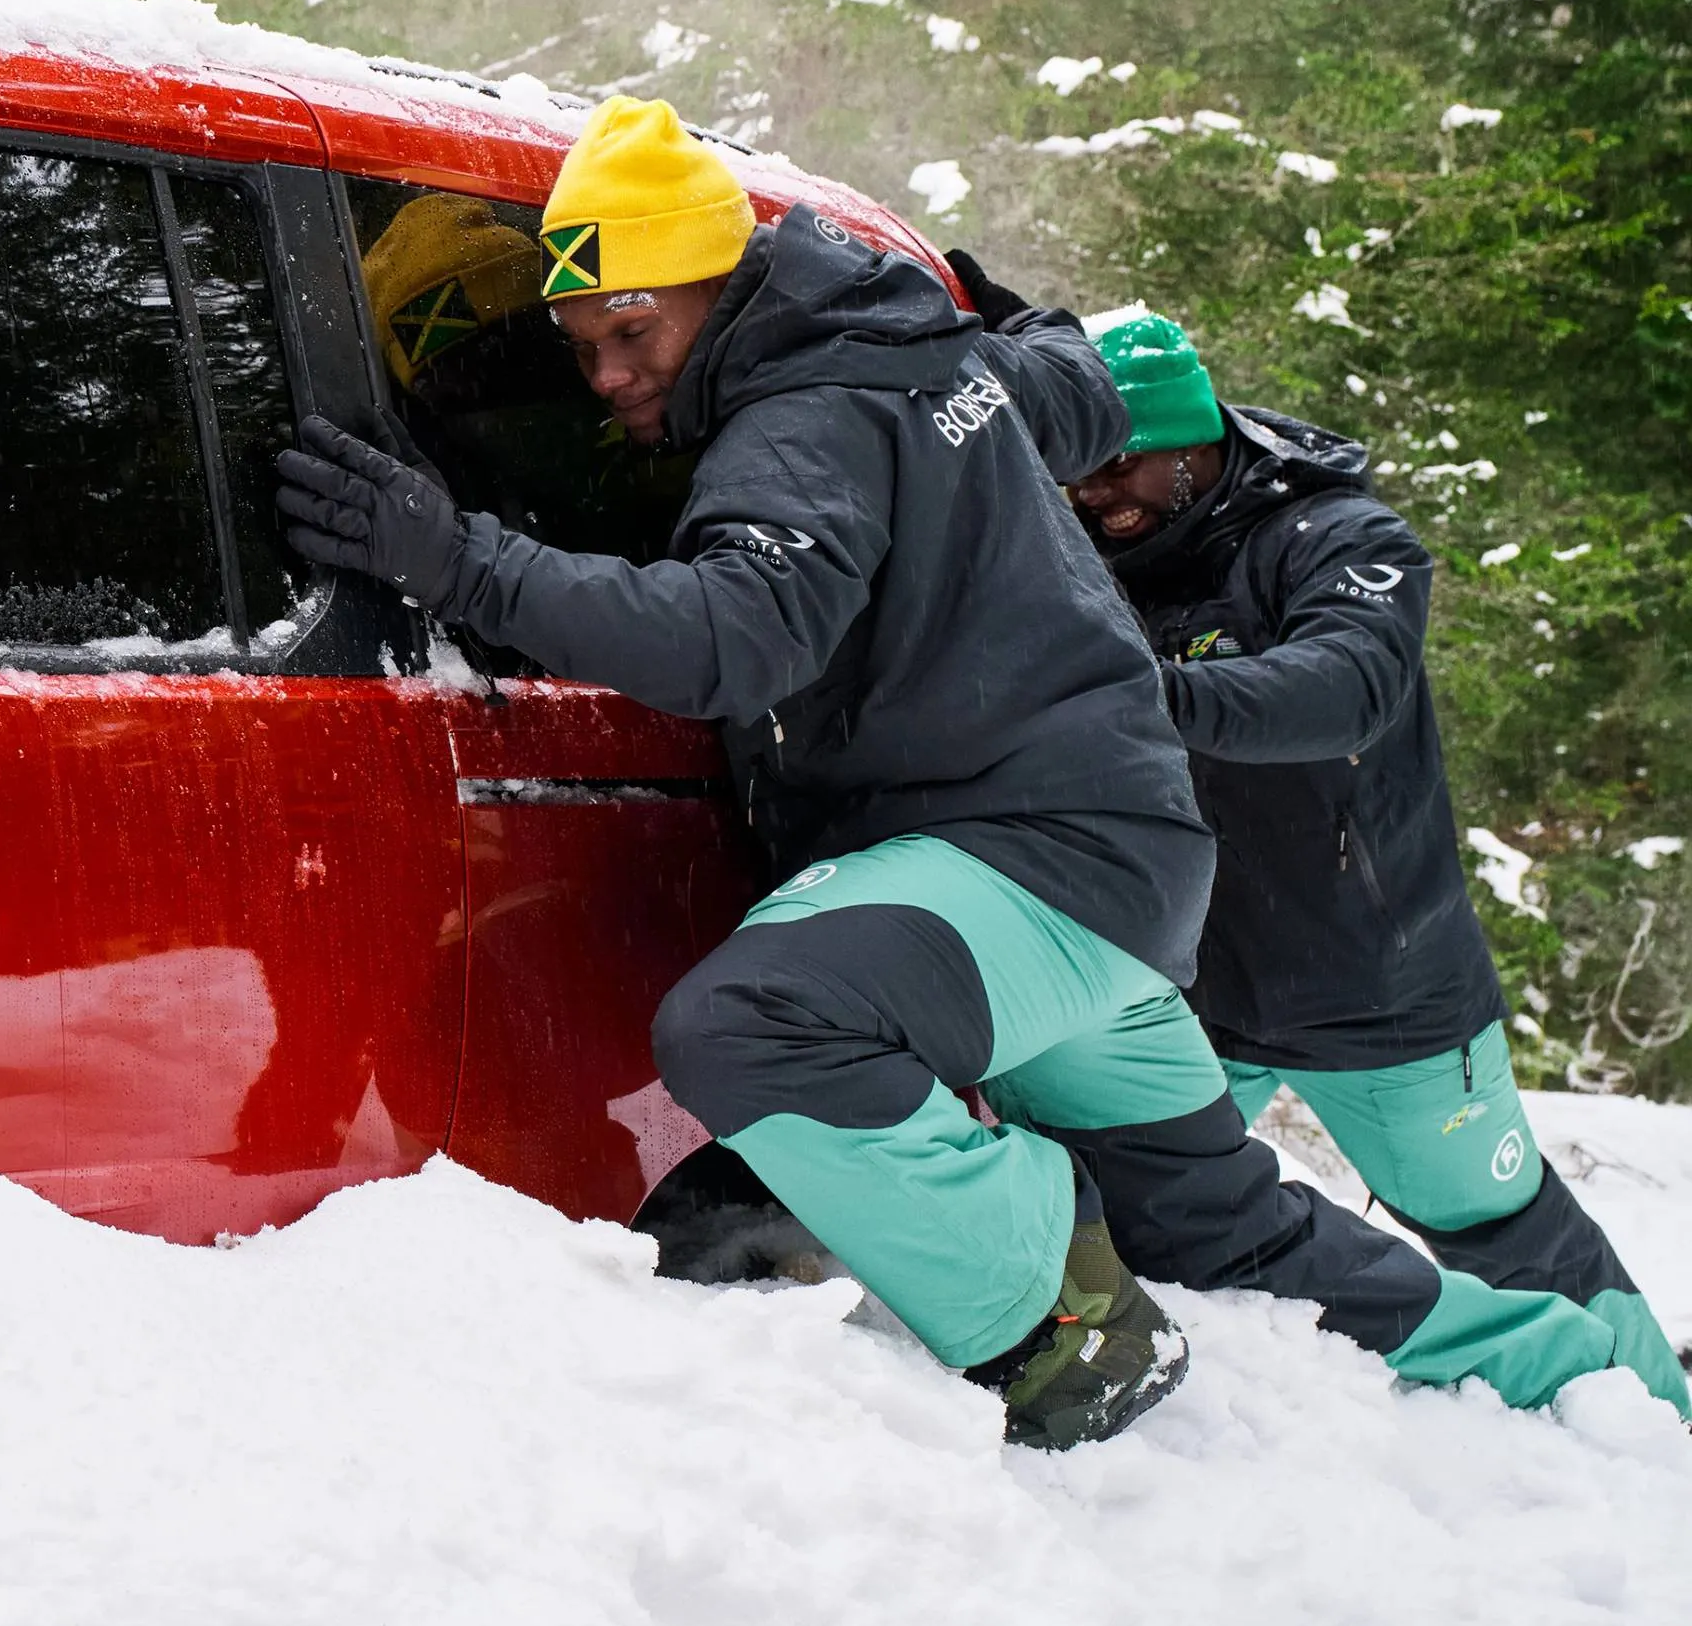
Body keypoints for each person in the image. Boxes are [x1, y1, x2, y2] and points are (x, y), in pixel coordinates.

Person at [275, 95, 1637, 1444]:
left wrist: (461, 562)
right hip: (1112, 876)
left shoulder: (798, 426)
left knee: (751, 1023)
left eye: (634, 332)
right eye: (581, 348)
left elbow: (730, 639)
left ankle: (1061, 1323)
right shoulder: (920, 358)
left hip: (1026, 863)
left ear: (718, 279)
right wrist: (966, 308)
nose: (611, 375)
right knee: (1220, 1227)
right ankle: (1558, 1369)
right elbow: (1079, 380)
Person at [1064, 308, 1687, 1411]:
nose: (1090, 491)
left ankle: (1651, 1410)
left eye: (1117, 463)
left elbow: (1345, 684)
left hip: (1376, 985)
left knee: (1493, 1222)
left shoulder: (1341, 540)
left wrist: (1148, 700)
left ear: (1193, 444)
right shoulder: (1095, 548)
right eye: (1074, 466)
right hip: (1189, 982)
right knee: (1121, 1199)